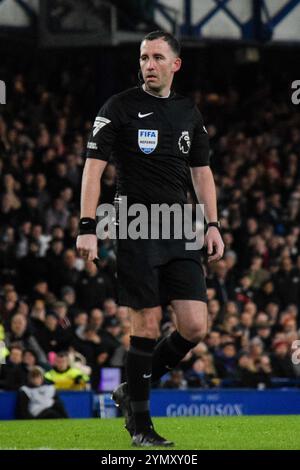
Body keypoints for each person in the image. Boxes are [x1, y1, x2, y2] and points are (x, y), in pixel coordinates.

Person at [76, 30, 224, 446]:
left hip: (177, 228)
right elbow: (93, 168)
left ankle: (130, 390)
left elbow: (201, 172)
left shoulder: (187, 112)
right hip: (136, 225)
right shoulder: (119, 107)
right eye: (143, 57)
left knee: (195, 326)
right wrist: (87, 226)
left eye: (157, 57)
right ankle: (140, 427)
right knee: (145, 324)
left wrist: (212, 225)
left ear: (176, 64)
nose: (148, 65)